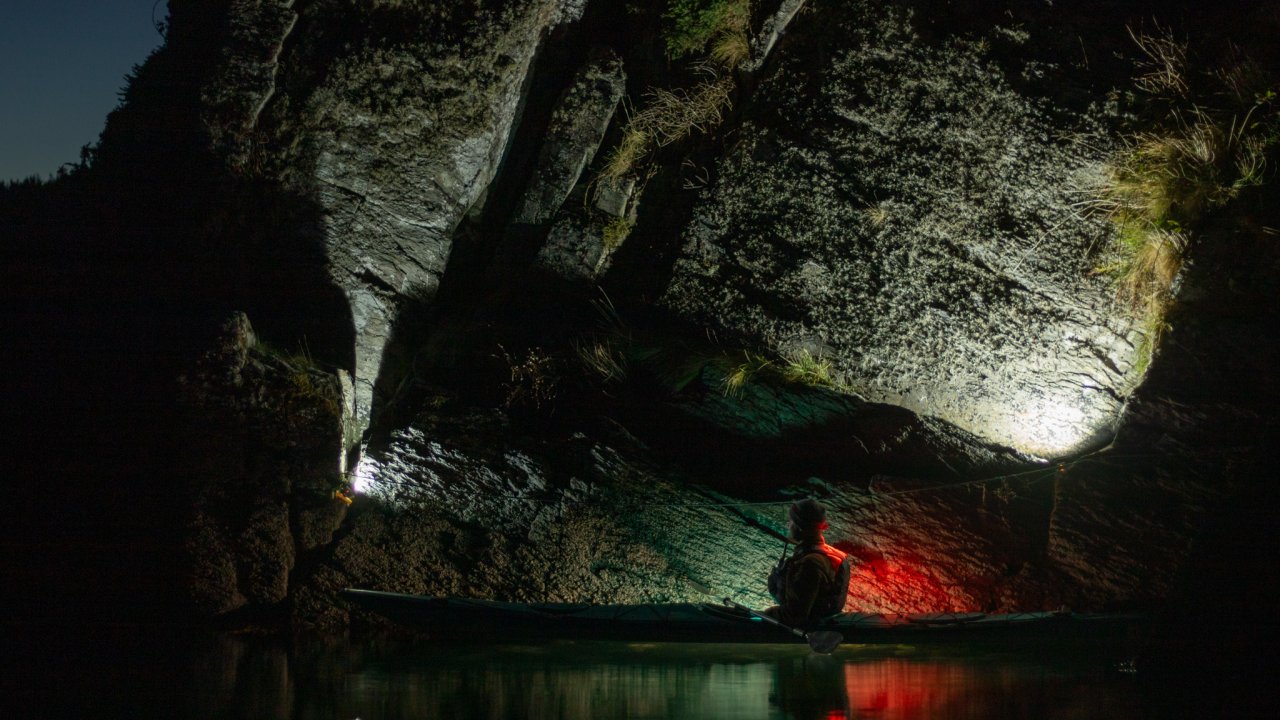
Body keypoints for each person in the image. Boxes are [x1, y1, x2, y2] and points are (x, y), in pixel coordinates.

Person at [766, 499, 852, 626]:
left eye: (792, 522)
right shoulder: (835, 555)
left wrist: (768, 613)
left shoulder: (809, 564)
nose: (788, 525)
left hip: (809, 628)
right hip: (826, 624)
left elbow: (794, 616)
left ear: (800, 527)